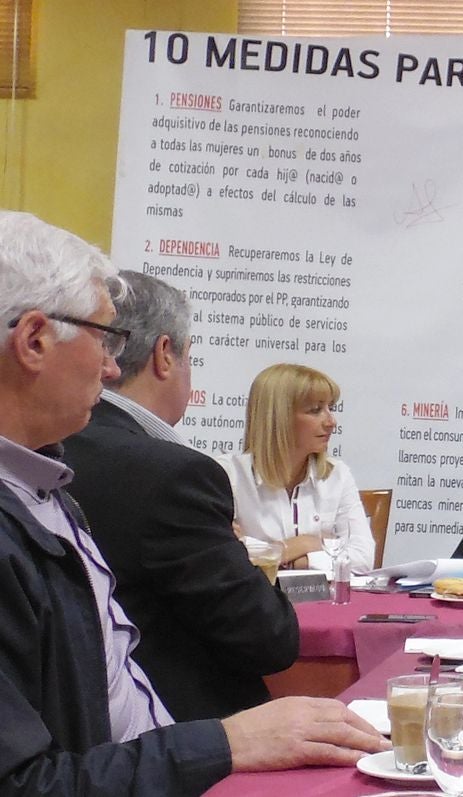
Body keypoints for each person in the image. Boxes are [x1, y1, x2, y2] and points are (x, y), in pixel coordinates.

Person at [0, 211, 386, 794]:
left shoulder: (48, 485)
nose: (110, 368)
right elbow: (27, 783)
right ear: (33, 340)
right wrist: (226, 744)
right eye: (105, 339)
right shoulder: (149, 476)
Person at [61, 271, 300, 722]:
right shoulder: (173, 475)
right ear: (165, 354)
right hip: (185, 740)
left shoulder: (43, 448)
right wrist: (243, 556)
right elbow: (269, 639)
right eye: (192, 356)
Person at [219, 363, 375, 574]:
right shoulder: (227, 475)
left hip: (323, 603)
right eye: (316, 410)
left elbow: (362, 559)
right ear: (278, 417)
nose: (331, 422)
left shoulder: (337, 475)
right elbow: (223, 557)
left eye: (331, 408)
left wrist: (291, 558)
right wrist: (312, 543)